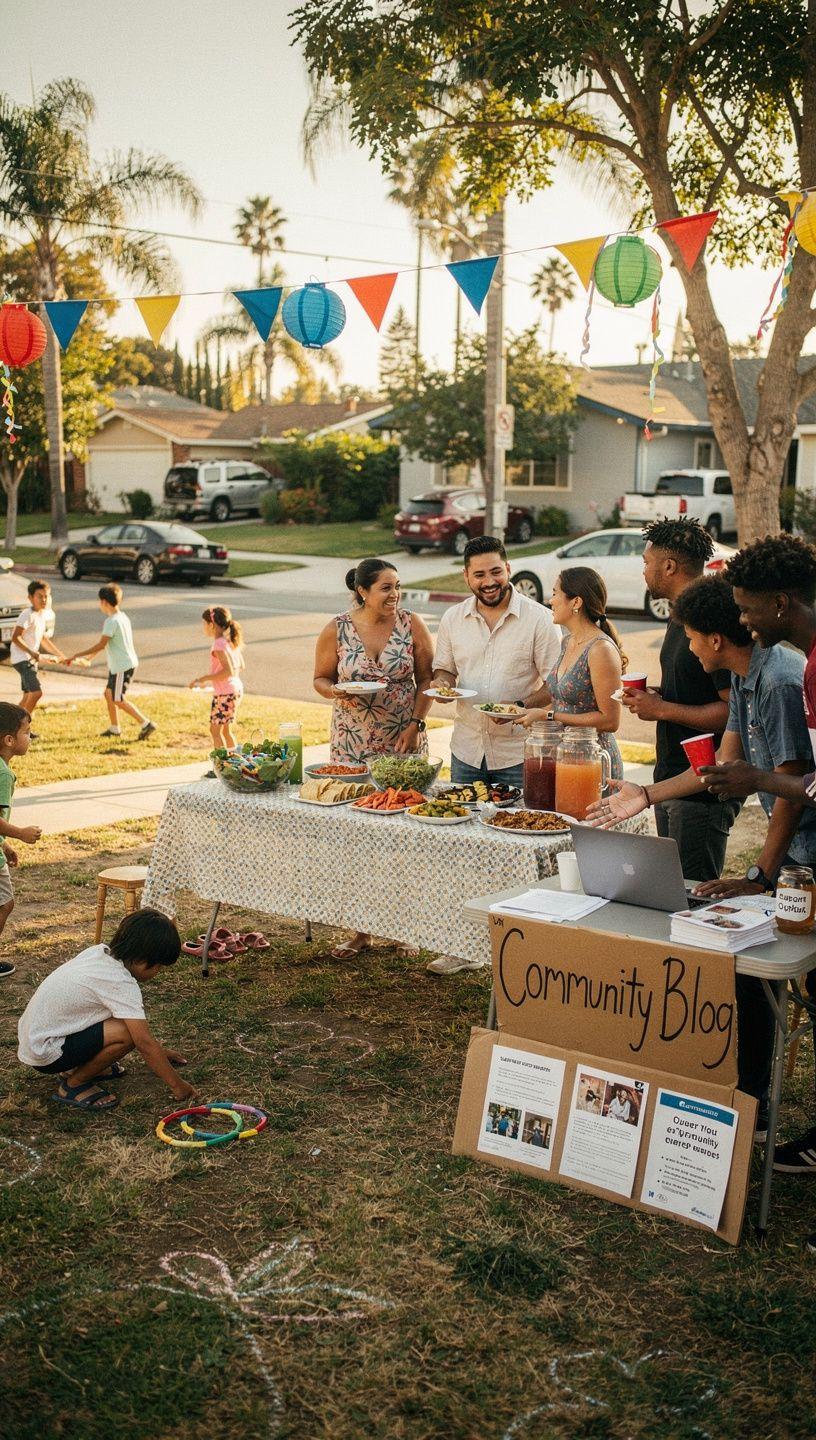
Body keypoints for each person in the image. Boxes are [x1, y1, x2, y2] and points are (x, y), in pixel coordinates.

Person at [588, 574, 816, 1130]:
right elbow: (719, 768)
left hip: (802, 857)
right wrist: (644, 794)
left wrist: (761, 875)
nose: (686, 648)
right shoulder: (743, 679)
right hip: (789, 860)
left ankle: (760, 1101)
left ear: (715, 640)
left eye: (690, 637)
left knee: (772, 974)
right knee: (748, 972)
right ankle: (750, 1098)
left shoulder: (782, 680)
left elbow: (790, 792)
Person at [692, 536, 816, 1183]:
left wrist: (763, 869)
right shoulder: (764, 675)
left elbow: (802, 786)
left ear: (780, 601)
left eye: (747, 607)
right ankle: (753, 1108)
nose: (742, 619)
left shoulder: (793, 673)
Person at [313, 558, 434, 958]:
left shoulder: (412, 624)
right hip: (351, 745)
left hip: (401, 741)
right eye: (386, 587)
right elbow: (321, 678)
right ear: (362, 591)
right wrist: (335, 692)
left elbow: (428, 680)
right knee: (357, 839)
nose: (395, 595)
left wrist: (415, 724)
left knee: (403, 839)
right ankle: (359, 930)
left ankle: (406, 929)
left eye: (397, 586)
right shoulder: (337, 628)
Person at [621, 517, 739, 880]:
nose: (643, 570)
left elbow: (733, 711)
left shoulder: (710, 617)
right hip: (671, 777)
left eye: (646, 562)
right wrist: (657, 698)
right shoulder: (679, 616)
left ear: (669, 566)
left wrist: (663, 709)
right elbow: (691, 687)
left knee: (693, 900)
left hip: (702, 791)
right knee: (671, 894)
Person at [17, 908, 196, 1112]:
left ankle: (81, 1066)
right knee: (126, 1034)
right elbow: (143, 1042)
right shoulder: (120, 983)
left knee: (123, 1025)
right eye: (159, 967)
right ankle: (74, 1084)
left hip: (38, 1038)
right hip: (46, 1051)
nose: (159, 973)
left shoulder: (99, 953)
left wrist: (161, 1054)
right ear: (140, 960)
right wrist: (178, 1086)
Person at [432, 536, 560, 789]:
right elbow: (445, 669)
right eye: (479, 575)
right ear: (466, 576)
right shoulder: (452, 618)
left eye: (496, 572)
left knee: (518, 824)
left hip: (518, 755)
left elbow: (555, 684)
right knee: (463, 827)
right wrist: (442, 686)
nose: (489, 582)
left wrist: (519, 707)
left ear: (508, 569)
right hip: (466, 752)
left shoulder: (540, 620)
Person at [507, 567, 624, 779]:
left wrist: (548, 716)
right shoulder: (567, 641)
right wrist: (520, 710)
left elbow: (610, 721)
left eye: (555, 593)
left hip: (592, 762)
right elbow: (564, 701)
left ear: (576, 602)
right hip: (564, 757)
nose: (550, 601)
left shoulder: (600, 649)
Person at [66, 584, 155, 740]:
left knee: (117, 698)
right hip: (120, 665)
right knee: (108, 694)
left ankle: (146, 723)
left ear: (104, 602)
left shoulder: (111, 621)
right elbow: (106, 643)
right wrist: (89, 658)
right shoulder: (122, 617)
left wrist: (77, 655)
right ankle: (115, 728)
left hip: (122, 666)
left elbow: (101, 644)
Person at [0, 703, 42, 979]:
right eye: (27, 732)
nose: (31, 736)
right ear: (9, 739)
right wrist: (20, 833)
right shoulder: (3, 773)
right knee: (5, 903)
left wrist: (4, 843)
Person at [9, 579, 68, 733]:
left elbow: (43, 639)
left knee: (28, 694)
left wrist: (61, 656)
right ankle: (21, 728)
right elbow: (16, 637)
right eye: (40, 596)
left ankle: (12, 726)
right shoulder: (26, 615)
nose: (44, 599)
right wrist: (33, 653)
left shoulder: (42, 615)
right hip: (22, 659)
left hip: (29, 659)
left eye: (46, 596)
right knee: (36, 693)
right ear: (30, 597)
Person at [189, 605, 245, 751]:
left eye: (204, 624)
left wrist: (203, 678)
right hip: (234, 690)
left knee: (215, 732)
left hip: (225, 694)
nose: (203, 627)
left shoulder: (218, 645)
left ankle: (221, 765)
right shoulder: (229, 642)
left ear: (211, 625)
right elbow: (241, 665)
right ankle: (234, 763)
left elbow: (228, 671)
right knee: (225, 731)